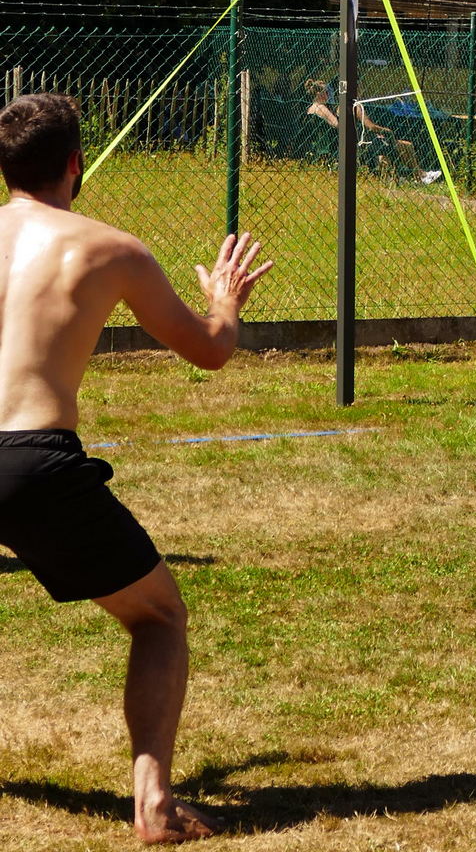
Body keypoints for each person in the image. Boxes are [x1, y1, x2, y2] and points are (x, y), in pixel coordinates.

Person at [0, 93, 272, 843]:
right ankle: (152, 804)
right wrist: (225, 301)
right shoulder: (109, 248)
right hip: (30, 461)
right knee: (158, 617)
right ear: (75, 163)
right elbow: (209, 350)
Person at [305, 81, 441, 184]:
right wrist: (385, 131)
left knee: (396, 146)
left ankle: (410, 176)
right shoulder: (346, 106)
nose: (328, 95)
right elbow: (367, 126)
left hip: (341, 143)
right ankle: (420, 176)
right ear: (319, 94)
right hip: (359, 143)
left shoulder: (321, 108)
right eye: (326, 92)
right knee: (406, 145)